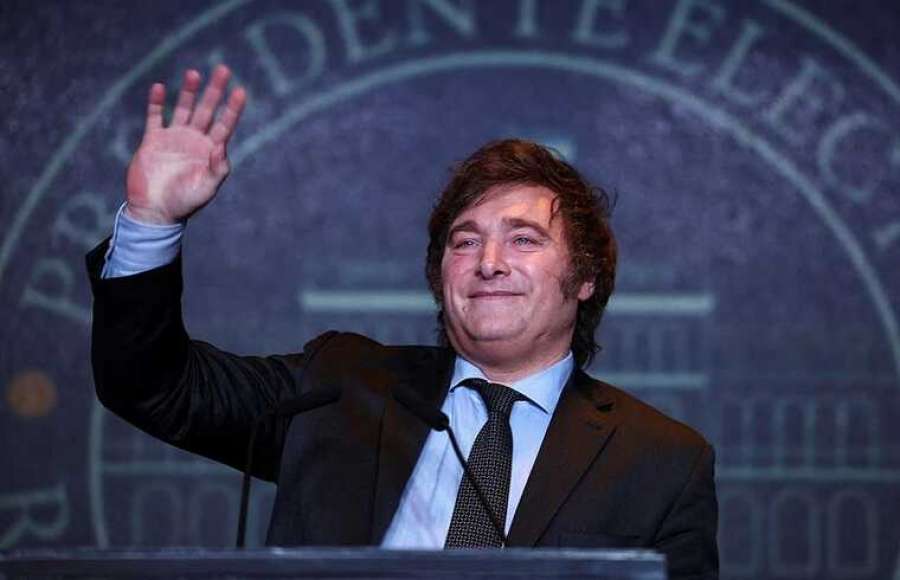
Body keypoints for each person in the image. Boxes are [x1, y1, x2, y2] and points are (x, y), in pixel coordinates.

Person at [87, 65, 718, 579]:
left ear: (585, 278)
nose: (489, 262)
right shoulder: (340, 386)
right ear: (440, 277)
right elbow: (152, 386)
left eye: (524, 239)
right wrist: (152, 220)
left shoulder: (662, 461)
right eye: (465, 242)